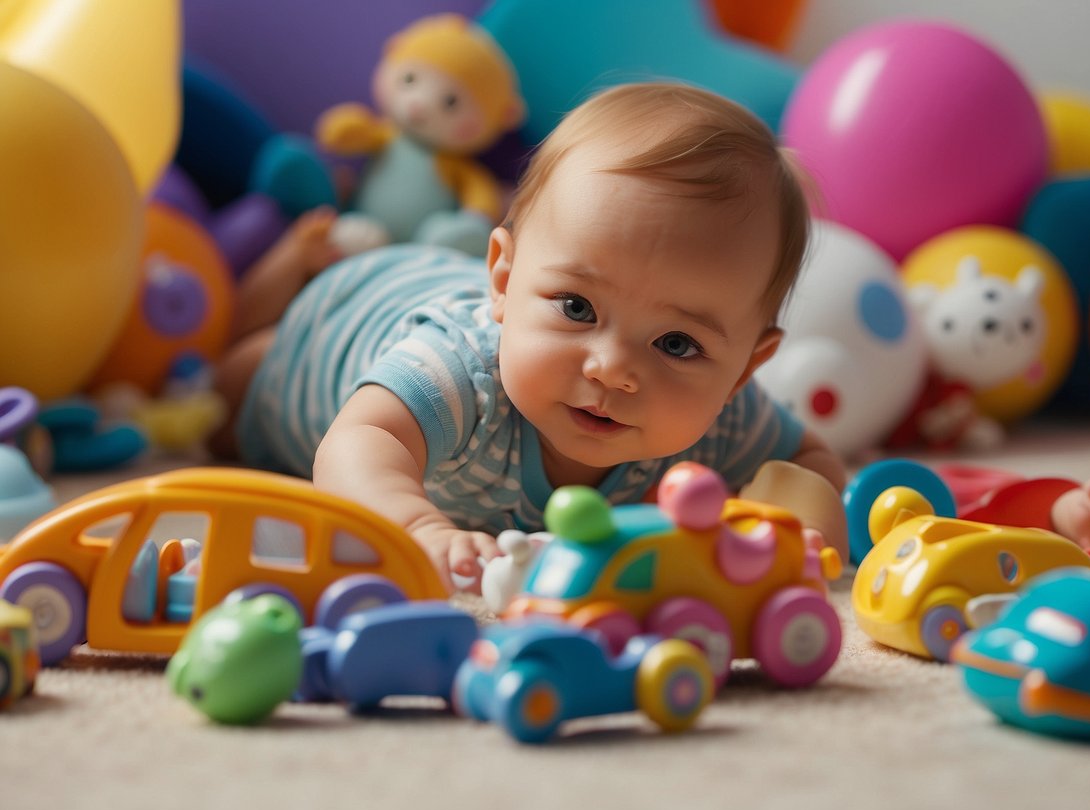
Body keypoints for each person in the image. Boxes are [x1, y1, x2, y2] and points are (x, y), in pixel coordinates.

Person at [211, 82, 846, 591]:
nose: (611, 369)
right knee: (228, 400)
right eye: (577, 307)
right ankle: (273, 298)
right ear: (506, 282)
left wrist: (799, 531)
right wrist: (418, 527)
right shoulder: (461, 374)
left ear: (743, 370)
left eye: (676, 344)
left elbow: (811, 462)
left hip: (450, 285)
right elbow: (358, 439)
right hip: (341, 316)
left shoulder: (725, 421)